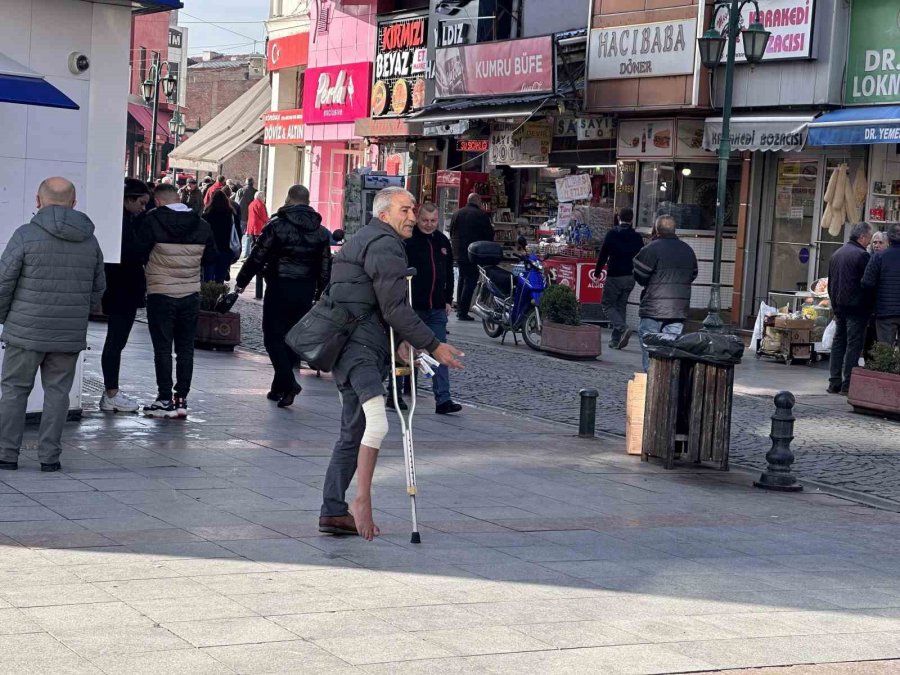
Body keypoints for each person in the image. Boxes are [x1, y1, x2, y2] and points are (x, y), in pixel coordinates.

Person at [319, 187, 464, 540]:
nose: (412, 217)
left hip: (351, 345)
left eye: (413, 209)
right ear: (384, 215)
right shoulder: (385, 245)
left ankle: (332, 511)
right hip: (360, 352)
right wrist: (433, 345)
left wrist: (399, 340)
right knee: (377, 424)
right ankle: (361, 501)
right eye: (405, 210)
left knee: (353, 430)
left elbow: (370, 300)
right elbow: (394, 307)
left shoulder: (367, 239)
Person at [0, 178, 105, 471]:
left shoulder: (25, 235)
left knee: (14, 390)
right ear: (74, 203)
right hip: (67, 334)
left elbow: (3, 282)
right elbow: (98, 289)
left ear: (38, 201)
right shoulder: (90, 240)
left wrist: (5, 317)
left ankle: (6, 454)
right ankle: (49, 457)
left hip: (24, 332)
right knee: (58, 393)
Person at [235, 185, 331, 408]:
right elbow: (326, 265)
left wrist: (240, 283)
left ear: (289, 199)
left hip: (279, 285)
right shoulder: (320, 231)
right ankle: (279, 387)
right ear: (307, 202)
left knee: (272, 336)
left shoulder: (277, 225)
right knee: (291, 337)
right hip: (305, 289)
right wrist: (320, 291)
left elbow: (257, 256)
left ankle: (288, 382)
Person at [138, 183, 217, 419]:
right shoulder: (202, 225)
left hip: (160, 292)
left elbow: (139, 252)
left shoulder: (151, 221)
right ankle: (181, 399)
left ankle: (164, 399)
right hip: (190, 293)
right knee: (185, 349)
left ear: (159, 201)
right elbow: (211, 257)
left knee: (162, 349)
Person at [403, 202, 462, 415]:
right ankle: (396, 394)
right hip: (413, 306)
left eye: (433, 221)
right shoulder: (409, 240)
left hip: (436, 307)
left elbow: (448, 272)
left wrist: (448, 299)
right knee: (406, 350)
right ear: (418, 219)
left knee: (440, 350)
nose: (429, 225)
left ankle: (443, 399)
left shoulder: (442, 241)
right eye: (425, 221)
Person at [99, 179, 150, 414]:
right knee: (116, 341)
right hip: (122, 288)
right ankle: (111, 393)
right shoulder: (123, 223)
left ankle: (111, 391)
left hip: (121, 287)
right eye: (141, 202)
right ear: (129, 199)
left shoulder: (123, 220)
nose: (143, 207)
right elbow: (133, 253)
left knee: (116, 341)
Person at [633, 215, 698, 372]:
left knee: (650, 350)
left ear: (657, 229)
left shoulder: (651, 249)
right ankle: (668, 385)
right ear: (674, 230)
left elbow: (640, 275)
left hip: (653, 308)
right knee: (669, 351)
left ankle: (651, 384)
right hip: (677, 311)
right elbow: (693, 274)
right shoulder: (687, 250)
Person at [827, 222, 872, 394]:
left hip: (840, 307)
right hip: (856, 308)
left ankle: (834, 382)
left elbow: (831, 283)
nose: (869, 242)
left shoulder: (837, 254)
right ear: (862, 237)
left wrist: (835, 304)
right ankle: (848, 384)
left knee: (839, 343)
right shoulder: (861, 255)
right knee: (854, 345)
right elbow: (868, 284)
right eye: (868, 238)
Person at [595, 207, 644, 350]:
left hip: (615, 275)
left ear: (618, 217)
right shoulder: (637, 237)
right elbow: (641, 257)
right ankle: (615, 340)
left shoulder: (612, 234)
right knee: (621, 307)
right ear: (632, 219)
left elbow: (603, 255)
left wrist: (597, 274)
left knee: (607, 305)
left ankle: (622, 329)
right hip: (630, 277)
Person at [449, 193, 493, 321]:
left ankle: (459, 308)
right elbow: (489, 235)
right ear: (478, 202)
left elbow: (451, 231)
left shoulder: (458, 213)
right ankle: (463, 311)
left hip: (458, 253)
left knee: (462, 278)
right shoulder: (481, 215)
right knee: (470, 281)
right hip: (474, 253)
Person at [862, 222, 900, 347]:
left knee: (885, 350)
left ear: (888, 239)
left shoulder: (878, 257)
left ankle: (885, 366)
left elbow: (867, 282)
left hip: (885, 311)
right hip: (886, 310)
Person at [202, 190, 238, 283]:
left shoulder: (207, 215)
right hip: (226, 249)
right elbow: (238, 232)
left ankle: (209, 295)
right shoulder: (231, 215)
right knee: (220, 278)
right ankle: (218, 294)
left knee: (208, 278)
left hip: (209, 250)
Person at [242, 191, 268, 259]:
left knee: (252, 244)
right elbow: (263, 216)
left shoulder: (252, 203)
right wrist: (268, 221)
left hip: (251, 227)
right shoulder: (259, 204)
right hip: (257, 227)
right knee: (257, 245)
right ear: (261, 197)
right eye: (264, 197)